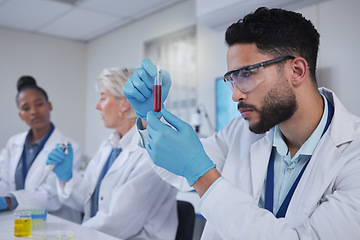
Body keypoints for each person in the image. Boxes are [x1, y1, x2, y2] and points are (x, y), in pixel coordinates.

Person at [123, 7, 360, 240]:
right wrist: (148, 115)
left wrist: (202, 175)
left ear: (296, 71)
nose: (235, 95)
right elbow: (176, 167)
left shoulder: (353, 154)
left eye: (246, 74)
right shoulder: (241, 132)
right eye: (232, 79)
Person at [46, 68, 178, 239]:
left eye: (102, 98)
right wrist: (67, 178)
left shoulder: (150, 151)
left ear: (124, 104)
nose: (97, 106)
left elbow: (118, 221)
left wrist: (72, 235)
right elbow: (89, 200)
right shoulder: (110, 144)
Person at [0, 76, 82, 223]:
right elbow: (4, 181)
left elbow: (52, 196)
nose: (33, 112)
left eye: (39, 104)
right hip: (17, 220)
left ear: (49, 105)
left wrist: (9, 200)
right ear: (20, 115)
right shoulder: (13, 143)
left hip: (55, 223)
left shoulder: (69, 147)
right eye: (26, 108)